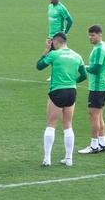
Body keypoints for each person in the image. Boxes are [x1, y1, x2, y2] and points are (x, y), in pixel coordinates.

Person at [36, 32, 88, 167]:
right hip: (71, 91)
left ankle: (47, 158)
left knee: (51, 124)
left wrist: (46, 51)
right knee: (68, 125)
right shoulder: (77, 56)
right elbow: (84, 75)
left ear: (55, 42)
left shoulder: (54, 54)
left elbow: (39, 66)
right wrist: (73, 81)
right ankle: (69, 159)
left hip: (57, 91)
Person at [80, 25, 105, 154]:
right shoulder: (103, 46)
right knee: (98, 116)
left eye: (93, 35)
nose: (90, 37)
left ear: (100, 35)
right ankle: (102, 143)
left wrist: (82, 67)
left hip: (98, 87)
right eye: (89, 35)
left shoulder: (99, 50)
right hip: (102, 86)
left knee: (93, 116)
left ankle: (94, 145)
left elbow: (96, 69)